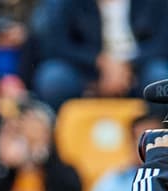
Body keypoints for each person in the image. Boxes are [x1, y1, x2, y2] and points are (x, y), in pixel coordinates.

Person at [31, 0, 168, 111]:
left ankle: (157, 137)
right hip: (87, 72)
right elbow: (56, 44)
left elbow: (162, 43)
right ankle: (61, 137)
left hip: (139, 70)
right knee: (54, 79)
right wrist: (99, 61)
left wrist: (127, 65)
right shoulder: (67, 4)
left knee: (159, 77)